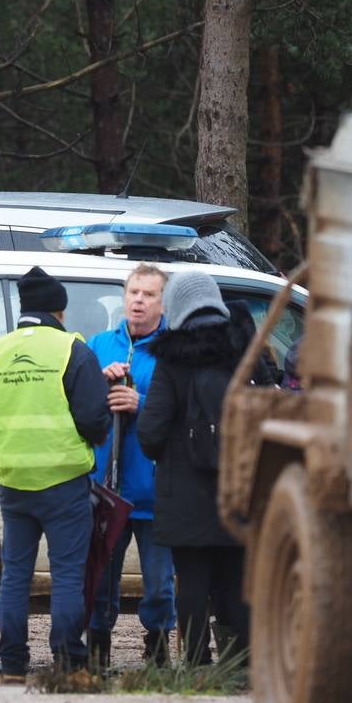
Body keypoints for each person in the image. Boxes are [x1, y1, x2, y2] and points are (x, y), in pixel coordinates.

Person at [0, 267, 111, 684]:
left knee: (15, 572)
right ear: (59, 310)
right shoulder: (72, 350)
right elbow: (93, 418)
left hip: (14, 482)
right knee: (67, 573)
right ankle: (67, 658)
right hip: (65, 480)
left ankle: (12, 661)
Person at [137, 271, 271, 665]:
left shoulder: (171, 358)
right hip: (240, 487)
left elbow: (150, 431)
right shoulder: (246, 351)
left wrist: (169, 453)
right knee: (235, 581)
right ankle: (245, 661)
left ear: (175, 306)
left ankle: (197, 663)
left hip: (184, 495)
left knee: (192, 584)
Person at [85, 263, 176, 667]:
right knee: (102, 576)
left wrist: (144, 405)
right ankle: (99, 648)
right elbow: (78, 407)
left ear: (163, 302)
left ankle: (156, 646)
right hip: (107, 487)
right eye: (133, 292)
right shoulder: (98, 345)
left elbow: (184, 409)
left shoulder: (173, 350)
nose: (138, 301)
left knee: (158, 585)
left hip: (154, 488)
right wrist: (98, 385)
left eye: (149, 294)